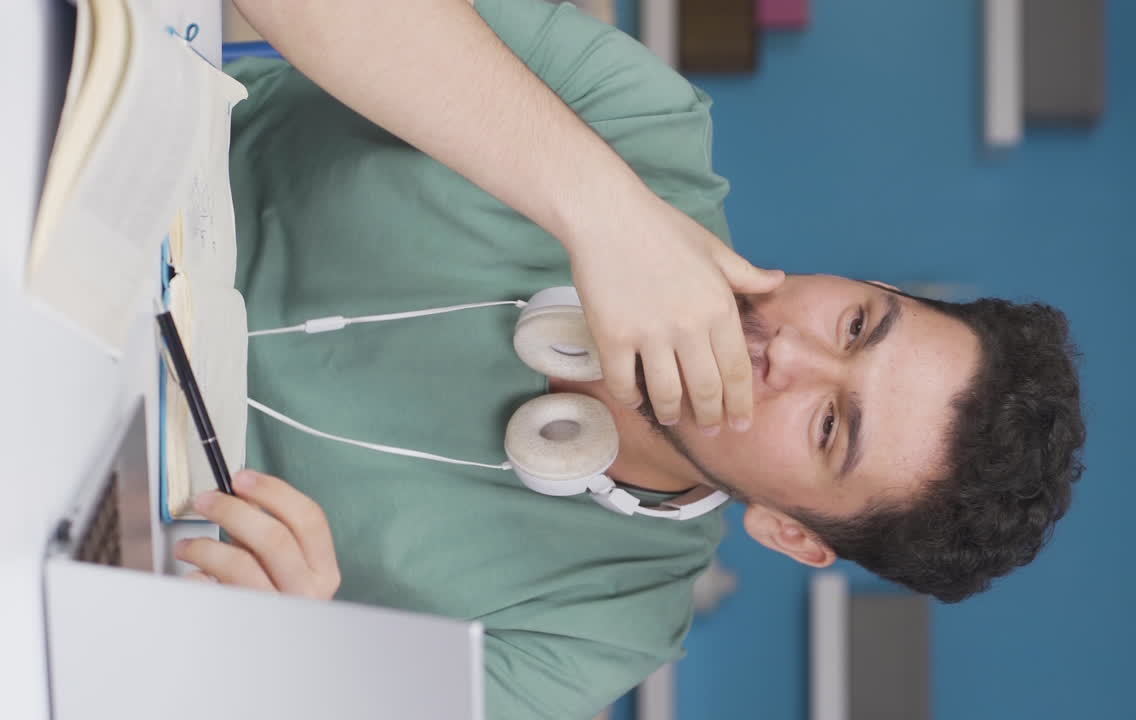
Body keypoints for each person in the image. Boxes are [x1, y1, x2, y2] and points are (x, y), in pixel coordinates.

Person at [176, 1, 1087, 718]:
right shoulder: (638, 118)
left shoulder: (597, 638)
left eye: (829, 424)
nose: (791, 354)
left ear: (790, 532)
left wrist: (293, 652)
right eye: (856, 325)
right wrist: (600, 207)